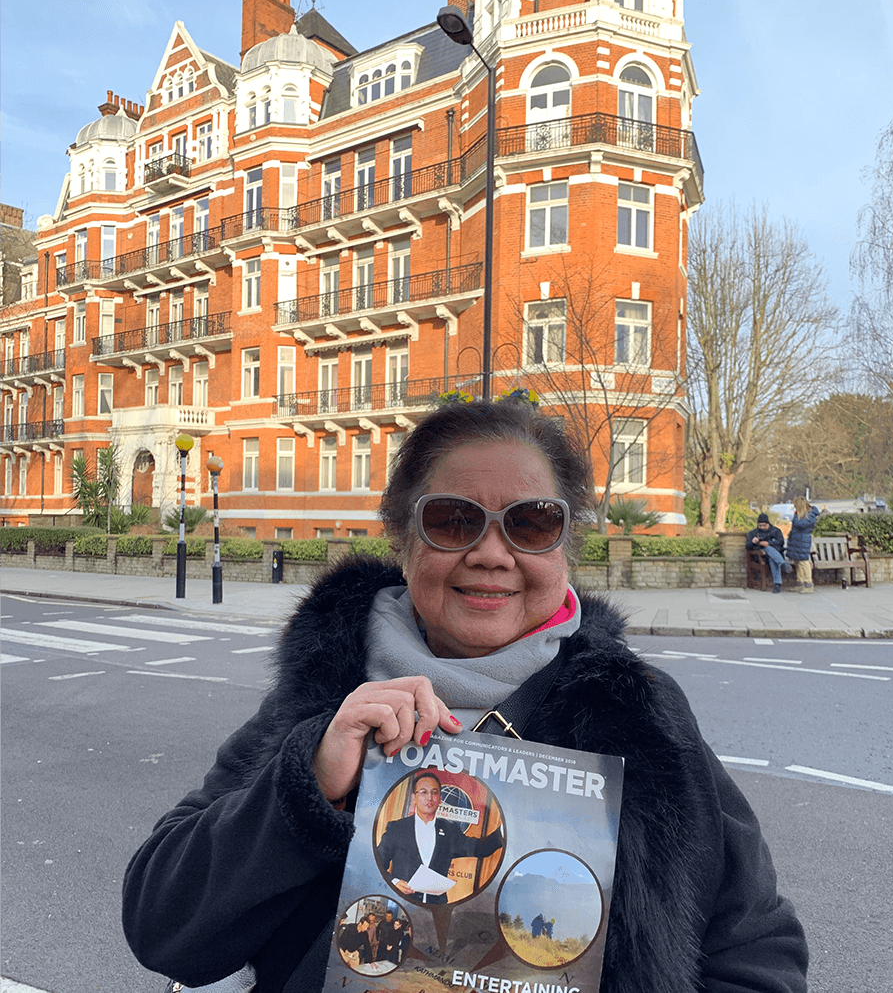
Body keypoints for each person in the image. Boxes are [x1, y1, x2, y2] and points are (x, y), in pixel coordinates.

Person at [122, 399, 808, 993]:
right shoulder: (327, 695)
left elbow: (754, 944)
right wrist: (307, 787)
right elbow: (163, 926)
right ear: (402, 534)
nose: (490, 552)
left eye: (531, 523)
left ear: (566, 543)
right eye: (454, 521)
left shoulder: (637, 712)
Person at [376, 770, 503, 903]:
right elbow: (378, 862)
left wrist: (502, 832)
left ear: (440, 799)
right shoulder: (397, 828)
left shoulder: (450, 831)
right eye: (423, 792)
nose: (429, 797)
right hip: (402, 904)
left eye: (434, 792)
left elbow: (481, 848)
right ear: (414, 798)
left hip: (436, 909)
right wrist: (394, 882)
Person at [746, 512, 790, 592]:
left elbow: (781, 542)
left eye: (764, 525)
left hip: (776, 554)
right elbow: (747, 547)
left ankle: (777, 586)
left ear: (768, 523)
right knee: (768, 550)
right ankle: (782, 566)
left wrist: (769, 543)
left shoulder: (776, 531)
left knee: (771, 557)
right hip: (761, 556)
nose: (762, 527)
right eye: (760, 526)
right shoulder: (754, 533)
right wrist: (753, 542)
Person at [786, 497, 820, 594]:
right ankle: (799, 583)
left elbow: (800, 524)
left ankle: (808, 584)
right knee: (797, 562)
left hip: (803, 541)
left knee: (804, 562)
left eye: (796, 505)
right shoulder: (801, 515)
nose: (794, 507)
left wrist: (796, 516)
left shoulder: (810, 515)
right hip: (796, 540)